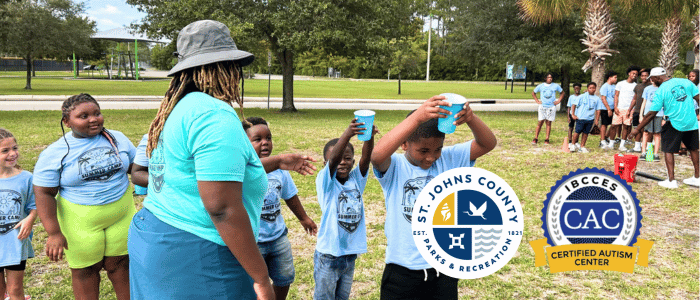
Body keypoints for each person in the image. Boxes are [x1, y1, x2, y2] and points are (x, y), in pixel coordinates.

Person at [127, 20, 273, 299]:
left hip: (156, 232)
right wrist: (261, 277)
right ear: (228, 67)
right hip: (198, 251)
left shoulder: (178, 108)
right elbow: (222, 208)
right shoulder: (212, 115)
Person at [371, 96, 496, 299]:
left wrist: (471, 118)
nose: (431, 157)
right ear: (404, 144)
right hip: (402, 271)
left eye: (437, 149)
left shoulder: (448, 159)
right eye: (423, 151)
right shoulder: (395, 166)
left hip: (443, 269)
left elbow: (487, 143)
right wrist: (417, 118)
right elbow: (376, 156)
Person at [33, 94, 136, 300]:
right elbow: (44, 192)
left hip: (121, 214)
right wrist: (54, 233)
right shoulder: (55, 152)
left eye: (97, 113)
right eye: (84, 116)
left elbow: (135, 167)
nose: (93, 119)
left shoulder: (117, 138)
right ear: (67, 122)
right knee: (85, 270)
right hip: (80, 220)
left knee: (121, 265)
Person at [243, 117, 318, 300]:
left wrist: (303, 218)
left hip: (278, 237)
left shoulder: (280, 169)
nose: (265, 143)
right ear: (244, 143)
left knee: (284, 278)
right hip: (254, 242)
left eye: (268, 138)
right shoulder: (242, 169)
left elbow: (290, 195)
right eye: (257, 139)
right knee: (255, 283)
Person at [314, 118, 376, 300]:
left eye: (347, 158)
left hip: (349, 255)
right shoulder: (325, 182)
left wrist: (369, 137)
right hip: (329, 255)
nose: (342, 162)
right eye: (337, 159)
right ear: (325, 164)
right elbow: (333, 160)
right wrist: (348, 133)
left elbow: (366, 159)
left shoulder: (356, 180)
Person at [629, 67, 700, 189]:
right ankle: (698, 178)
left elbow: (651, 113)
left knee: (668, 150)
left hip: (674, 123)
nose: (652, 80)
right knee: (693, 149)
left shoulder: (661, 91)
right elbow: (698, 98)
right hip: (691, 121)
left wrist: (636, 129)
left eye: (652, 78)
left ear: (656, 78)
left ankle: (671, 180)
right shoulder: (685, 82)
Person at [0, 129, 36, 300]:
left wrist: (30, 219)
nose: (13, 154)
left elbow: (35, 205)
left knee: (15, 289)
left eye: (15, 148)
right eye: (5, 151)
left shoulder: (26, 178)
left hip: (15, 242)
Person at [531, 73, 564, 145]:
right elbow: (533, 93)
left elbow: (562, 93)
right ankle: (536, 138)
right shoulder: (541, 86)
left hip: (551, 107)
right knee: (540, 122)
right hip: (543, 106)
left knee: (548, 123)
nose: (550, 79)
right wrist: (537, 100)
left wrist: (558, 101)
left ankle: (547, 139)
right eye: (548, 77)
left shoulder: (555, 86)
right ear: (545, 78)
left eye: (551, 77)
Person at [613, 66, 640, 151]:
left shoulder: (636, 86)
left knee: (626, 127)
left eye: (636, 74)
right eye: (633, 73)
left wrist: (629, 110)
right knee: (614, 125)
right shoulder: (620, 83)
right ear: (629, 73)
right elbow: (616, 95)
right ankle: (610, 143)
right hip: (619, 108)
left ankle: (622, 144)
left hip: (629, 109)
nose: (634, 75)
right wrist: (615, 107)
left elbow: (635, 99)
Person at [570, 83, 602, 153]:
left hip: (590, 119)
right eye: (590, 88)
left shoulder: (597, 99)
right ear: (587, 89)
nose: (592, 89)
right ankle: (572, 144)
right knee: (577, 132)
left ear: (595, 89)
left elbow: (598, 109)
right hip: (581, 118)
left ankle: (582, 146)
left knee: (586, 133)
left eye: (593, 88)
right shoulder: (582, 96)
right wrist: (573, 114)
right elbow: (574, 104)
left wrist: (597, 119)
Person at [639, 77, 662, 161]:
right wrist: (641, 115)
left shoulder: (662, 89)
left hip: (659, 114)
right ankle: (643, 152)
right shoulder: (647, 89)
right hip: (647, 114)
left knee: (657, 133)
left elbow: (665, 103)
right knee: (645, 132)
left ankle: (655, 154)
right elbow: (644, 101)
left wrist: (664, 117)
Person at [631, 68, 651, 152]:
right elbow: (634, 99)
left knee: (646, 130)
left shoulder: (651, 86)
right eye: (642, 76)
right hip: (637, 110)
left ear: (649, 76)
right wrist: (630, 109)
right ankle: (637, 146)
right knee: (637, 129)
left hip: (647, 112)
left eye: (646, 75)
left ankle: (647, 147)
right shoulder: (638, 86)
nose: (644, 77)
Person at [598, 71, 617, 149]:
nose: (616, 79)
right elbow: (603, 98)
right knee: (604, 124)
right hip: (605, 108)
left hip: (613, 108)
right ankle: (602, 141)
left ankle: (606, 137)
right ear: (610, 78)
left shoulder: (614, 86)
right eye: (615, 77)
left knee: (613, 124)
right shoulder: (605, 86)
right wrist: (608, 109)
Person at [567, 83, 582, 149]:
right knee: (571, 128)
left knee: (578, 129)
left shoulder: (582, 96)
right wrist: (568, 116)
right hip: (572, 114)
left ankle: (576, 141)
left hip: (579, 115)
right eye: (575, 88)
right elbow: (569, 107)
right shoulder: (571, 97)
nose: (577, 90)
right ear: (573, 89)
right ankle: (570, 141)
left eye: (578, 88)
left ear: (580, 88)